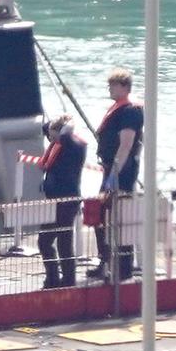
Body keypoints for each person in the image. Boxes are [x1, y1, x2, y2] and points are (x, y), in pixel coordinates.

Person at [89, 69, 144, 282]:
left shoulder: (130, 111)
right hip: (111, 168)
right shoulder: (120, 109)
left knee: (120, 217)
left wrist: (114, 174)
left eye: (113, 85)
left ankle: (123, 267)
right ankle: (106, 261)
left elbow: (126, 144)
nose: (109, 89)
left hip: (121, 171)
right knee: (102, 216)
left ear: (124, 87)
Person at [37, 114, 87, 289]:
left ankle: (67, 280)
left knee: (61, 242)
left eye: (53, 135)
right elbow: (46, 128)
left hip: (67, 201)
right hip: (54, 201)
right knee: (47, 241)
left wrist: (65, 127)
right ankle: (54, 278)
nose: (51, 139)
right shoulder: (57, 144)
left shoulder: (74, 146)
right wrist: (53, 127)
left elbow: (65, 135)